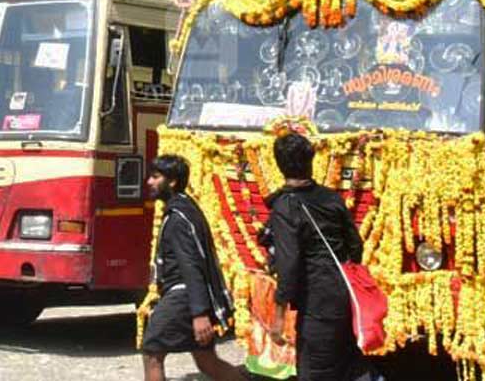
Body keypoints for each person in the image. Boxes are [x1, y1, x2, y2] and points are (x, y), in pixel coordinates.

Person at [265, 132, 365, 381]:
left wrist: (278, 316)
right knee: (344, 369)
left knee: (315, 372)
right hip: (344, 297)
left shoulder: (285, 206)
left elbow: (288, 265)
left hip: (316, 303)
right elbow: (355, 247)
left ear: (278, 165)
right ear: (311, 160)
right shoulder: (332, 198)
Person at [141, 155, 242, 381]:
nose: (149, 182)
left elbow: (191, 265)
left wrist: (199, 314)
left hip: (183, 296)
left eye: (156, 177)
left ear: (173, 182)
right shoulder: (184, 208)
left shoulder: (178, 218)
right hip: (188, 296)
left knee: (152, 352)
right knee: (206, 361)